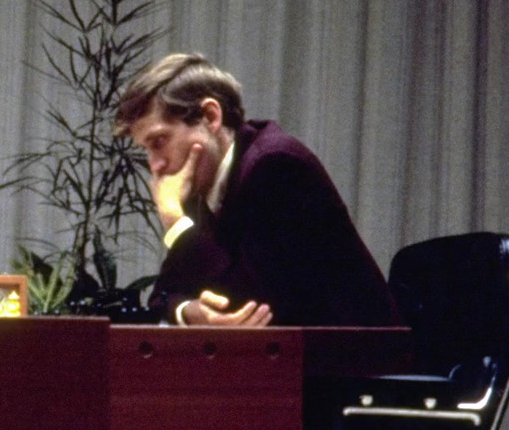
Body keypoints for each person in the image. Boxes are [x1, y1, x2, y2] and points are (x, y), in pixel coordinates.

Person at [114, 53, 400, 327]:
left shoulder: (275, 166)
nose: (155, 165)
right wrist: (189, 311)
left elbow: (252, 308)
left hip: (357, 356)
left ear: (210, 117)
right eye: (146, 149)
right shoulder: (197, 183)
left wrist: (176, 223)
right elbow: (162, 297)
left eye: (159, 141)